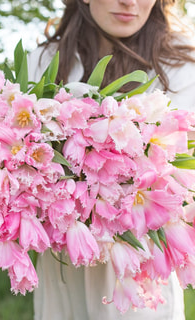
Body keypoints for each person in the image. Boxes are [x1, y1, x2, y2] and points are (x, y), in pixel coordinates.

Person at [27, 1, 195, 319]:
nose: (130, 2)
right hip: (64, 257)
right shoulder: (44, 60)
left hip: (137, 260)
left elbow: (171, 174)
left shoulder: (180, 62)